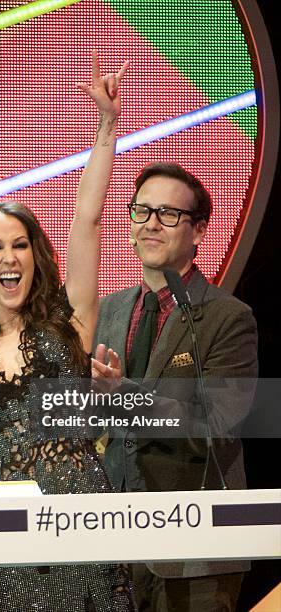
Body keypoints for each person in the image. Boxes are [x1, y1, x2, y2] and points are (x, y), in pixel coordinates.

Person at [0, 52, 136, 612]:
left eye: (20, 243)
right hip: (8, 537)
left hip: (86, 518)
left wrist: (107, 128)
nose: (9, 256)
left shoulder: (68, 321)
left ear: (35, 256)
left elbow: (87, 221)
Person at [92, 163, 258, 612]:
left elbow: (215, 423)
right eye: (141, 210)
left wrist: (123, 395)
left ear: (199, 231)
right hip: (113, 542)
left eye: (167, 214)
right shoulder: (110, 310)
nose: (150, 223)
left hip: (194, 550)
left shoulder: (228, 317)